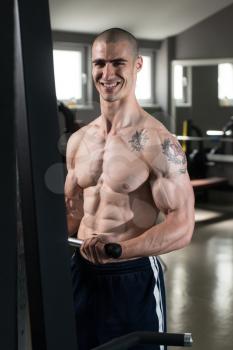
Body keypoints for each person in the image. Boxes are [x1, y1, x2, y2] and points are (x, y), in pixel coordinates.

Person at [65, 28, 195, 350]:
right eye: (99, 63)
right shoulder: (79, 141)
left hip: (131, 274)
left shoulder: (159, 141)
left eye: (117, 63)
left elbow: (183, 225)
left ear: (137, 65)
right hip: (80, 271)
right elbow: (73, 213)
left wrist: (120, 250)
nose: (107, 73)